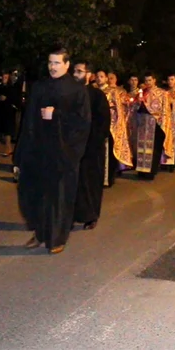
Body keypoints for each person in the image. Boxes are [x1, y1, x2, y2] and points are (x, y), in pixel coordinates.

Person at [16, 47, 91, 254]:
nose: (52, 67)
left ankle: (57, 237)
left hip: (64, 152)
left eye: (57, 63)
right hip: (40, 149)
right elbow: (29, 119)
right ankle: (40, 232)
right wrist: (22, 152)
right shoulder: (40, 86)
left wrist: (56, 115)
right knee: (39, 194)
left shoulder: (77, 90)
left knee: (59, 196)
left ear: (67, 64)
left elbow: (83, 122)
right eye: (50, 62)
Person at [73, 62, 110, 230]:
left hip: (91, 147)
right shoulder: (70, 94)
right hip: (72, 146)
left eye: (80, 71)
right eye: (74, 71)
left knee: (91, 181)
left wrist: (91, 141)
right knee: (74, 182)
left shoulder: (97, 95)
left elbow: (103, 122)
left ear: (89, 75)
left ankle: (91, 215)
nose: (76, 74)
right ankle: (72, 214)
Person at [132, 72, 174, 180]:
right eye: (146, 81)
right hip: (142, 123)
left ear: (154, 80)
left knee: (154, 148)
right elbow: (135, 107)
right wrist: (137, 103)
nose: (148, 83)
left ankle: (151, 171)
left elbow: (165, 110)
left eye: (150, 80)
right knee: (142, 147)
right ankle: (141, 170)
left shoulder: (162, 93)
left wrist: (163, 123)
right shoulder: (142, 92)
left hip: (155, 124)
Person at [97, 70, 132, 186]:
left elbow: (119, 109)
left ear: (106, 78)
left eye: (102, 76)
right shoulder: (94, 90)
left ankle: (109, 178)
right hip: (97, 124)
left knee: (110, 152)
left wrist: (119, 124)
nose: (99, 79)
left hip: (111, 125)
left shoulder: (113, 91)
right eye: (97, 76)